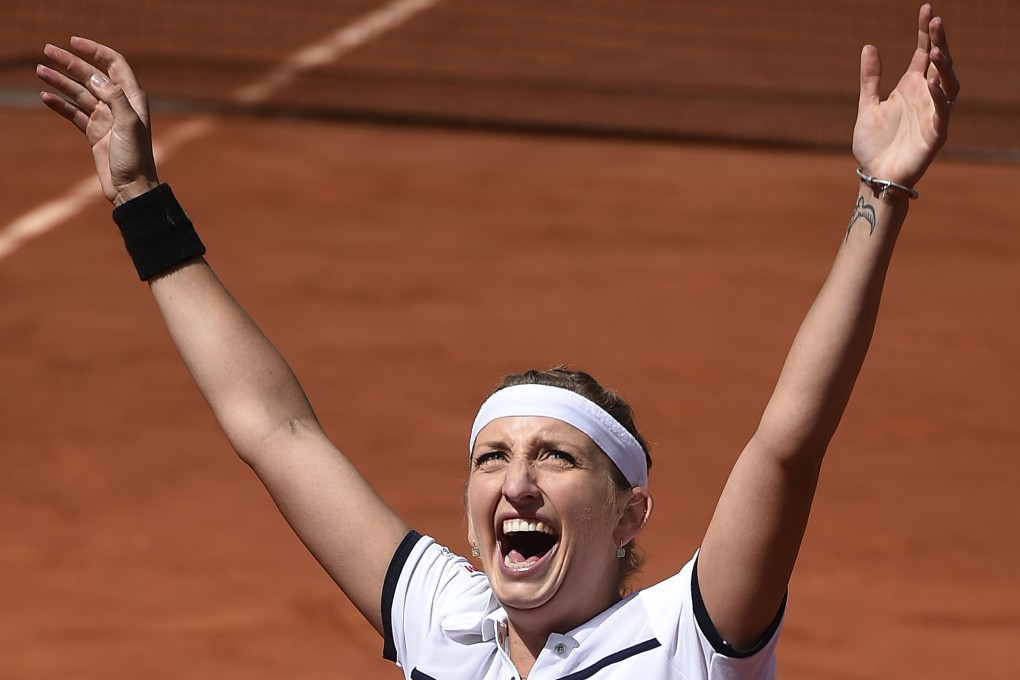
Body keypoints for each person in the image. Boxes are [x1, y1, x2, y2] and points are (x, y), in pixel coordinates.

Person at [36, 4, 958, 678]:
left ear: (630, 512)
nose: (514, 482)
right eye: (491, 458)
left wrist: (883, 194)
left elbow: (788, 441)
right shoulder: (445, 617)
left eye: (554, 457)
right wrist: (138, 201)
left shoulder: (690, 640)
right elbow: (275, 431)